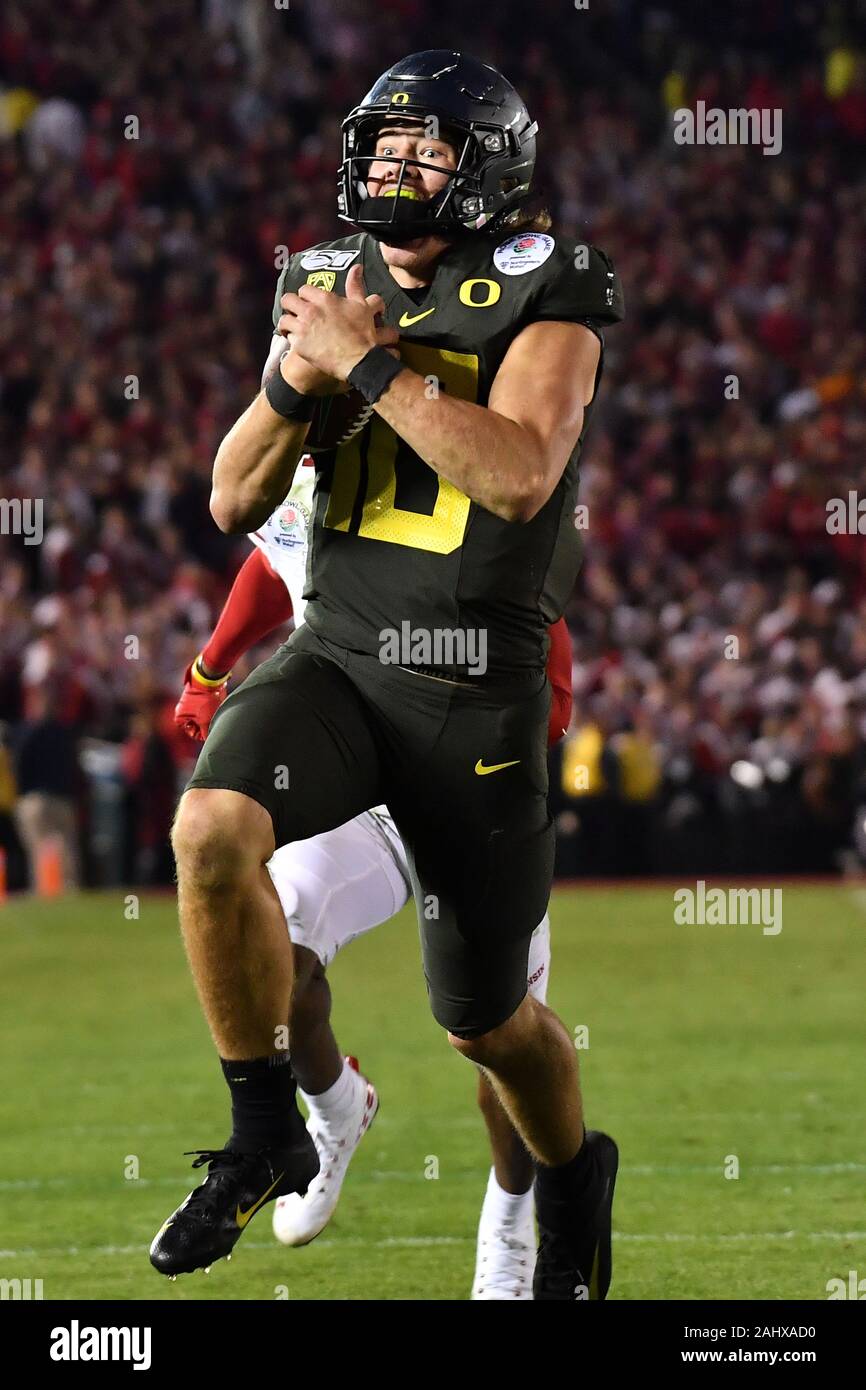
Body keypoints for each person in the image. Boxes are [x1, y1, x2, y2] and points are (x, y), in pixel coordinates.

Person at [151, 50, 624, 1301]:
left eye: (423, 149)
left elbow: (518, 474)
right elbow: (232, 496)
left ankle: (571, 1178)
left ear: (488, 170)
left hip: (476, 691)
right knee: (209, 827)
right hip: (342, 660)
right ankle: (266, 1129)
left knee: (487, 1025)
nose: (389, 167)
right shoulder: (322, 282)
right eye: (381, 144)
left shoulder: (551, 281)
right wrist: (289, 379)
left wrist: (368, 366)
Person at [173, 456, 572, 1296]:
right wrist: (213, 664)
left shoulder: (429, 448)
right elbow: (281, 557)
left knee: (497, 1034)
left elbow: (527, 604)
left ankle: (510, 1217)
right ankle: (332, 1114)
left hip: (468, 761)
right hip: (359, 770)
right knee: (272, 958)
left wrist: (535, 715)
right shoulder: (290, 453)